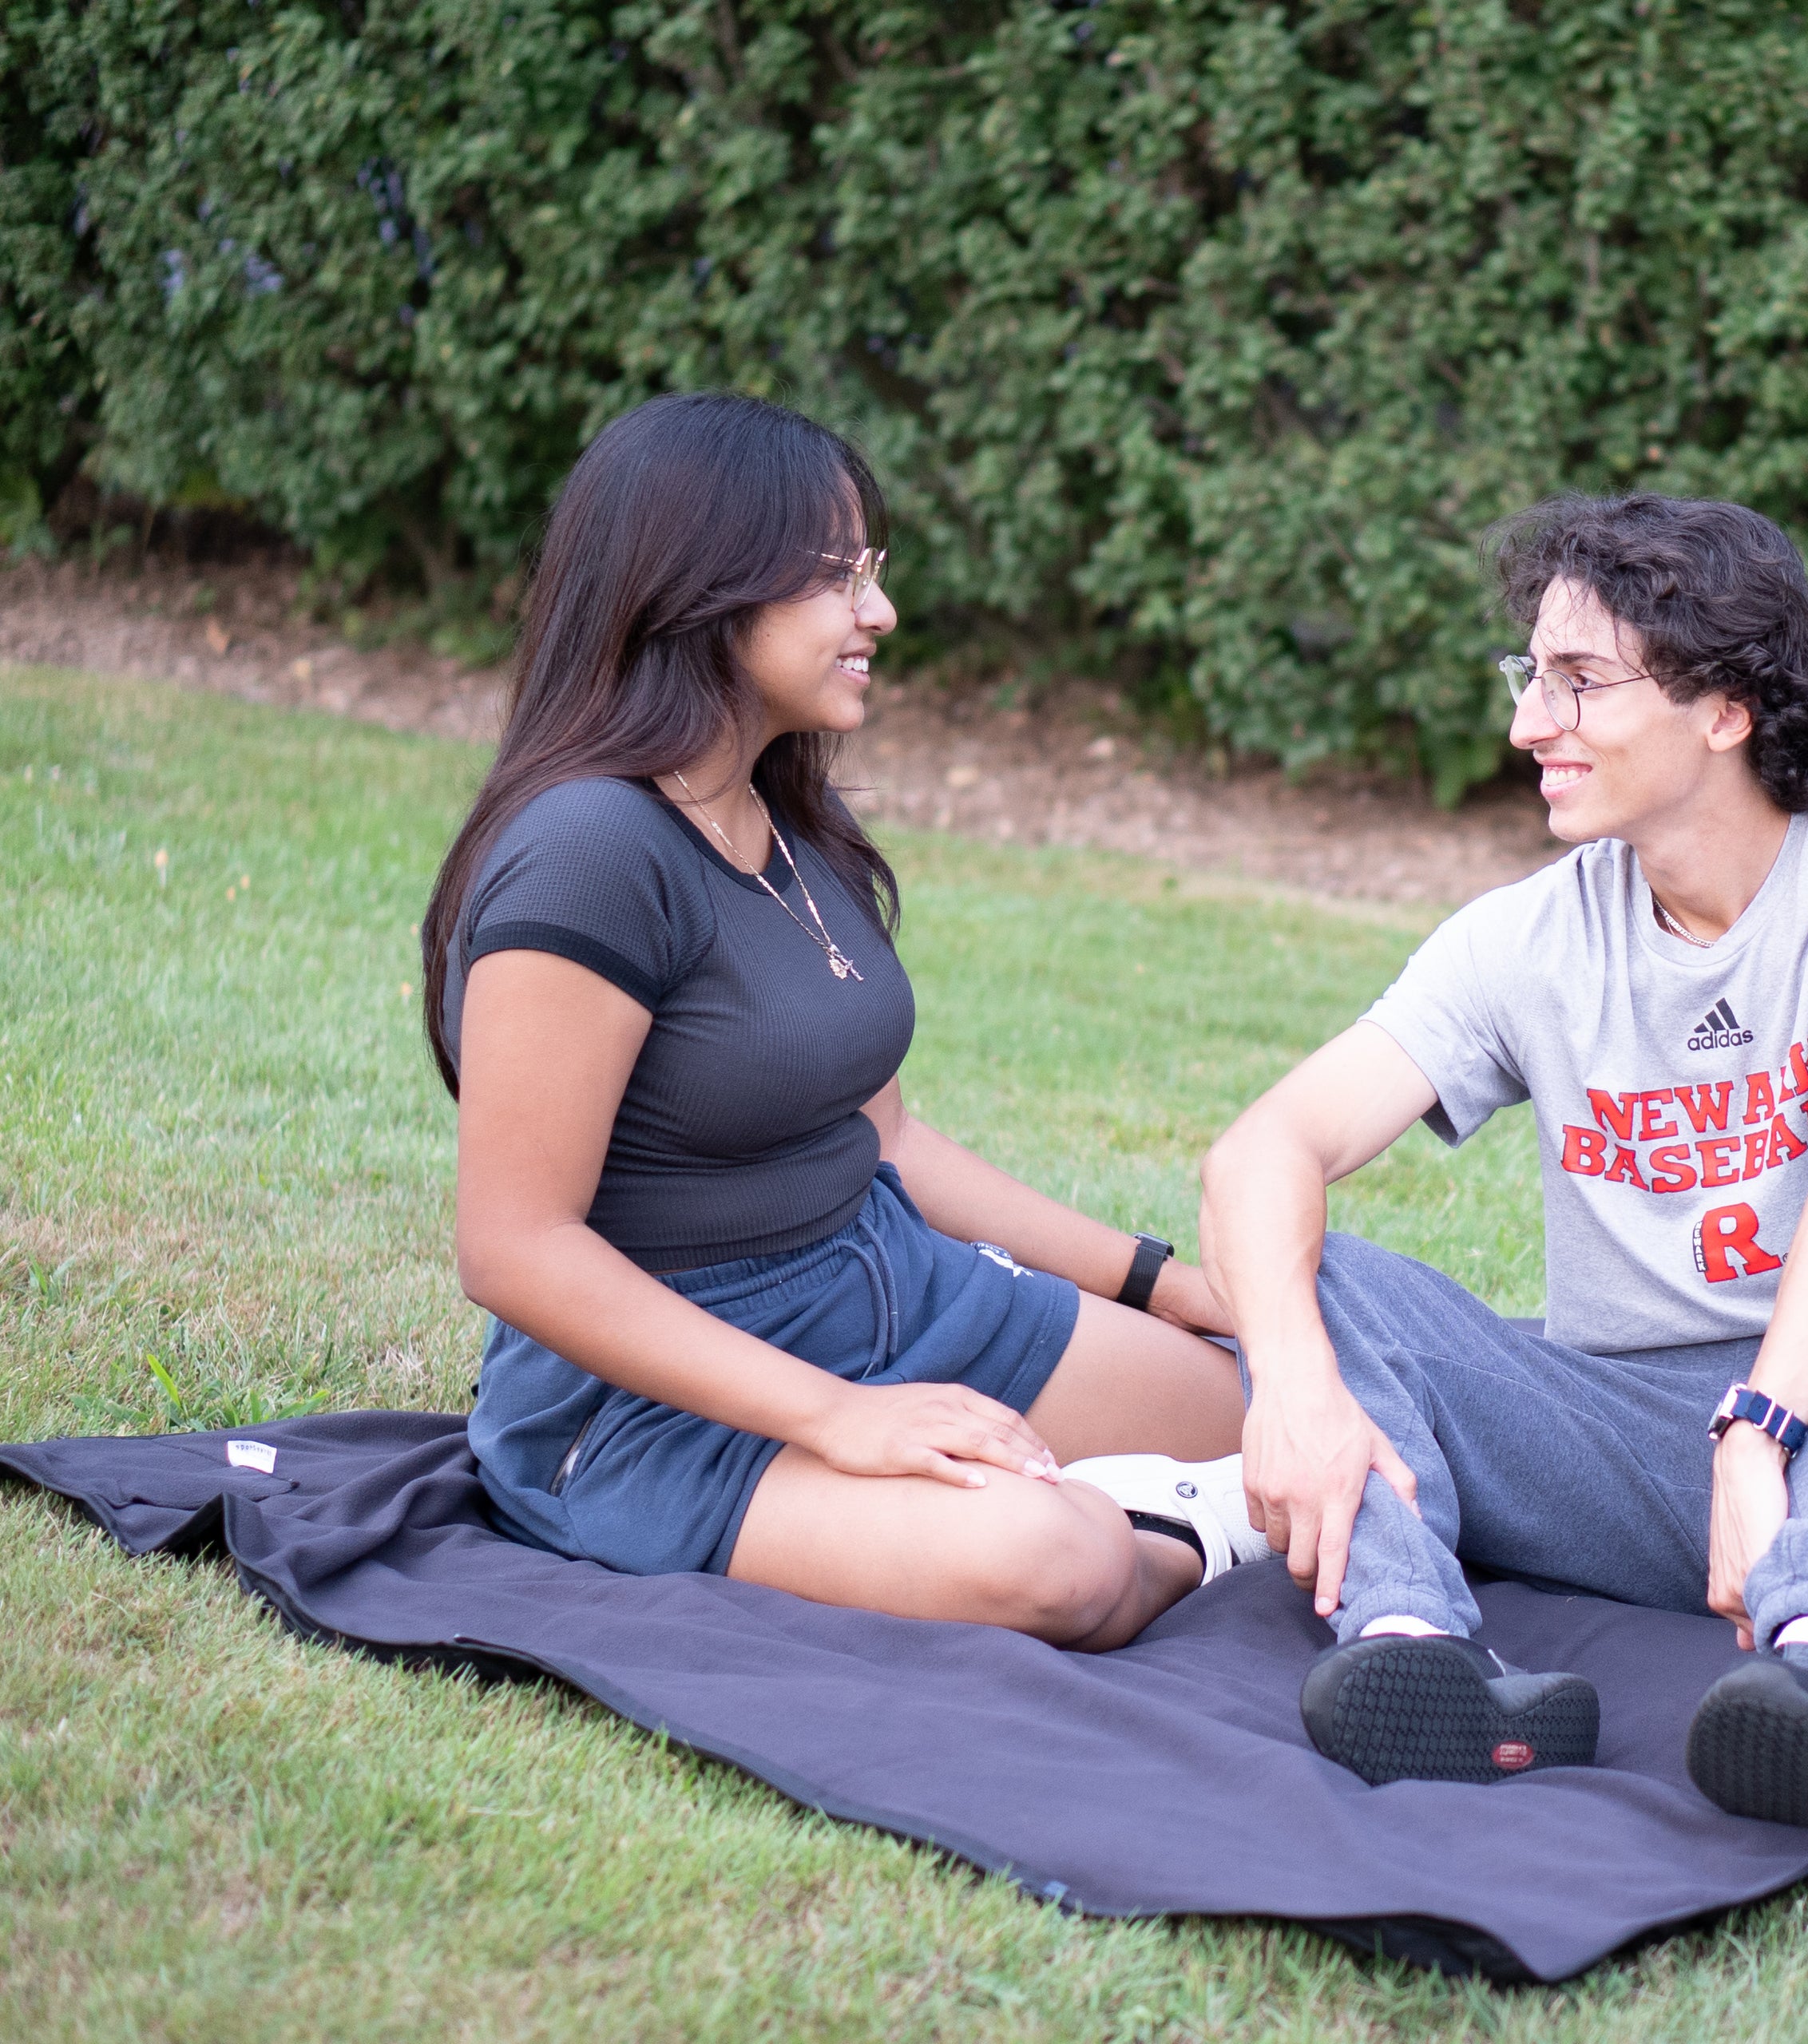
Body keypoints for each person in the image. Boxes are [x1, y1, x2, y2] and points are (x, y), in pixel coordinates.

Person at [1199, 493, 1808, 1832]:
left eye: (1579, 683)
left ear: (1725, 708)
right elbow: (1267, 1148)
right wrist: (1295, 1388)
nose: (1527, 724)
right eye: (1529, 677)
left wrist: (1765, 1422)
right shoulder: (1528, 938)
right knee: (1324, 1279)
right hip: (1654, 1448)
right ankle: (1416, 1654)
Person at [421, 392, 1263, 1649]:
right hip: (659, 1402)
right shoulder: (587, 853)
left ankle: (1176, 1495)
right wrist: (841, 1418)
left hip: (889, 1288)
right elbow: (515, 1247)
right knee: (1054, 1565)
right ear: (697, 588)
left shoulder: (784, 819)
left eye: (869, 571)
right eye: (834, 576)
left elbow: (895, 1146)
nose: (879, 613)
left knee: (1278, 1403)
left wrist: (1163, 1281)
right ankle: (1177, 1532)